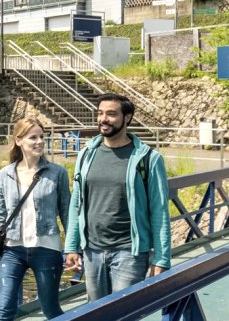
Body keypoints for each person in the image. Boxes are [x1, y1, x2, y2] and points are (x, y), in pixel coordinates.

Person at [64, 93, 171, 302]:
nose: (104, 119)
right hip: (92, 251)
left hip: (129, 252)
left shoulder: (148, 158)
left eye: (111, 114)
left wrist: (161, 258)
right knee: (96, 314)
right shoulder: (86, 154)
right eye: (100, 113)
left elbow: (159, 212)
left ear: (127, 117)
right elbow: (77, 203)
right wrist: (71, 246)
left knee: (123, 313)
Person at [0, 118, 72, 321]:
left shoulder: (57, 173)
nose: (39, 142)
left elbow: (67, 213)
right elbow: (0, 216)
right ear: (18, 141)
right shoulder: (5, 175)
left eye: (41, 137)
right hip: (13, 250)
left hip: (47, 249)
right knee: (3, 312)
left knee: (51, 310)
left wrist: (73, 248)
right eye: (33, 137)